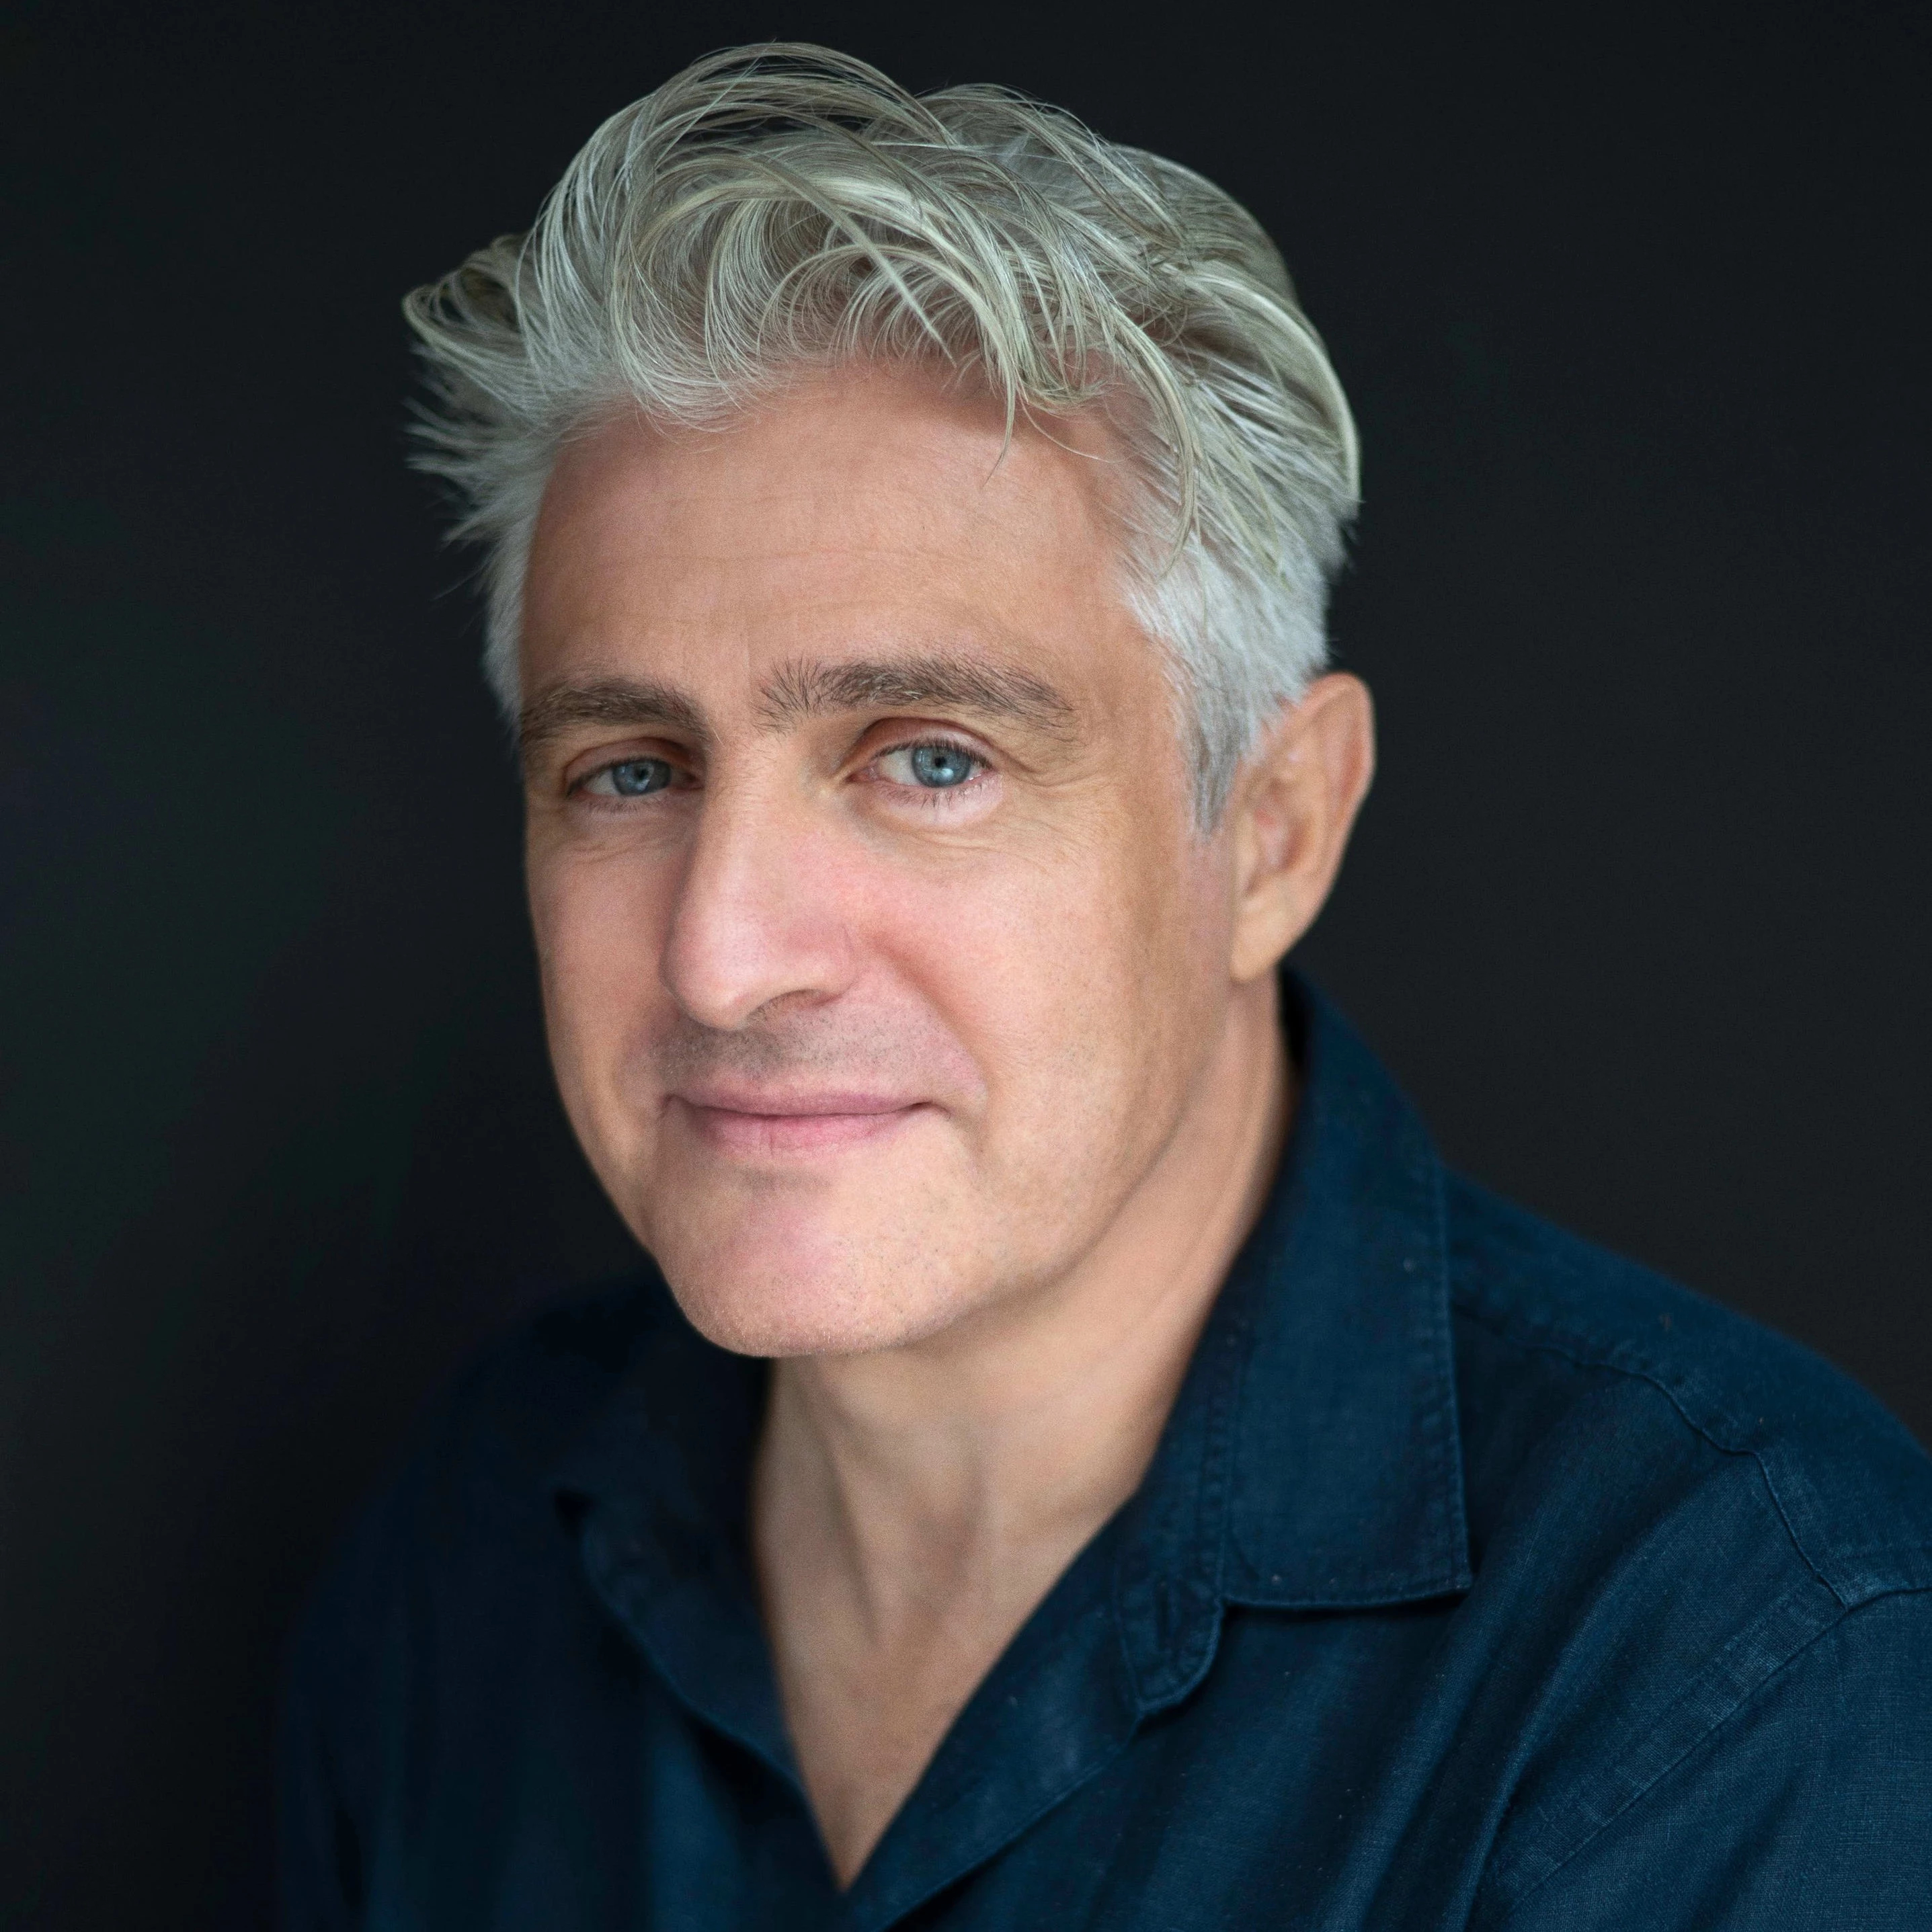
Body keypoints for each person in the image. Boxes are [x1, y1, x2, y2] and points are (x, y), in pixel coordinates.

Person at [278, 43, 1932, 1930]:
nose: (721, 955)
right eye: (631, 771)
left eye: (929, 760)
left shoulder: (1750, 1664)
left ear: (1277, 830)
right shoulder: (480, 1537)